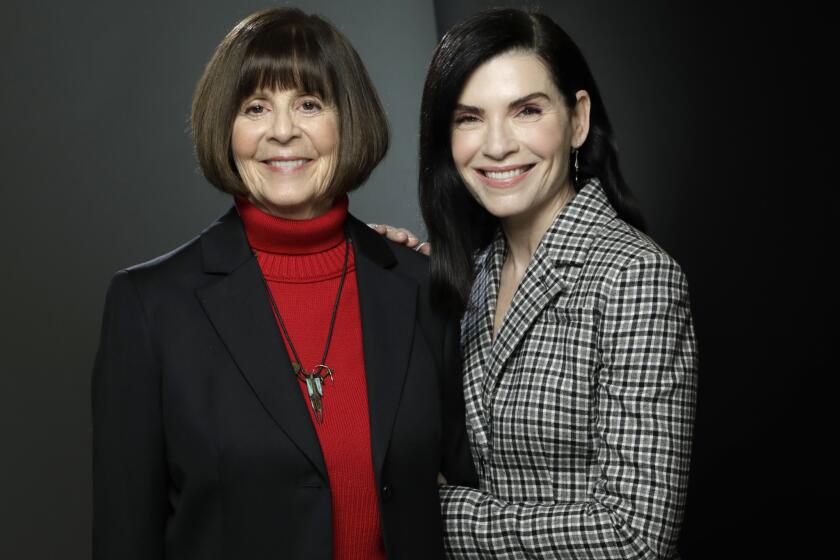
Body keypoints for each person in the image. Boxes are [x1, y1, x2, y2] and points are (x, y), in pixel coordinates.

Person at [91, 7, 475, 559]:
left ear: (349, 120)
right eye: (255, 108)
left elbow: (461, 493)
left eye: (309, 104)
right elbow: (126, 539)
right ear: (227, 127)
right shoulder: (150, 307)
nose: (282, 131)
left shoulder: (421, 288)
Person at [379, 8, 697, 558]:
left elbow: (635, 537)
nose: (497, 145)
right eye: (468, 118)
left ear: (577, 119)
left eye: (526, 111)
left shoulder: (635, 277)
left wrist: (433, 510)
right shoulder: (465, 273)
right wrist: (380, 275)